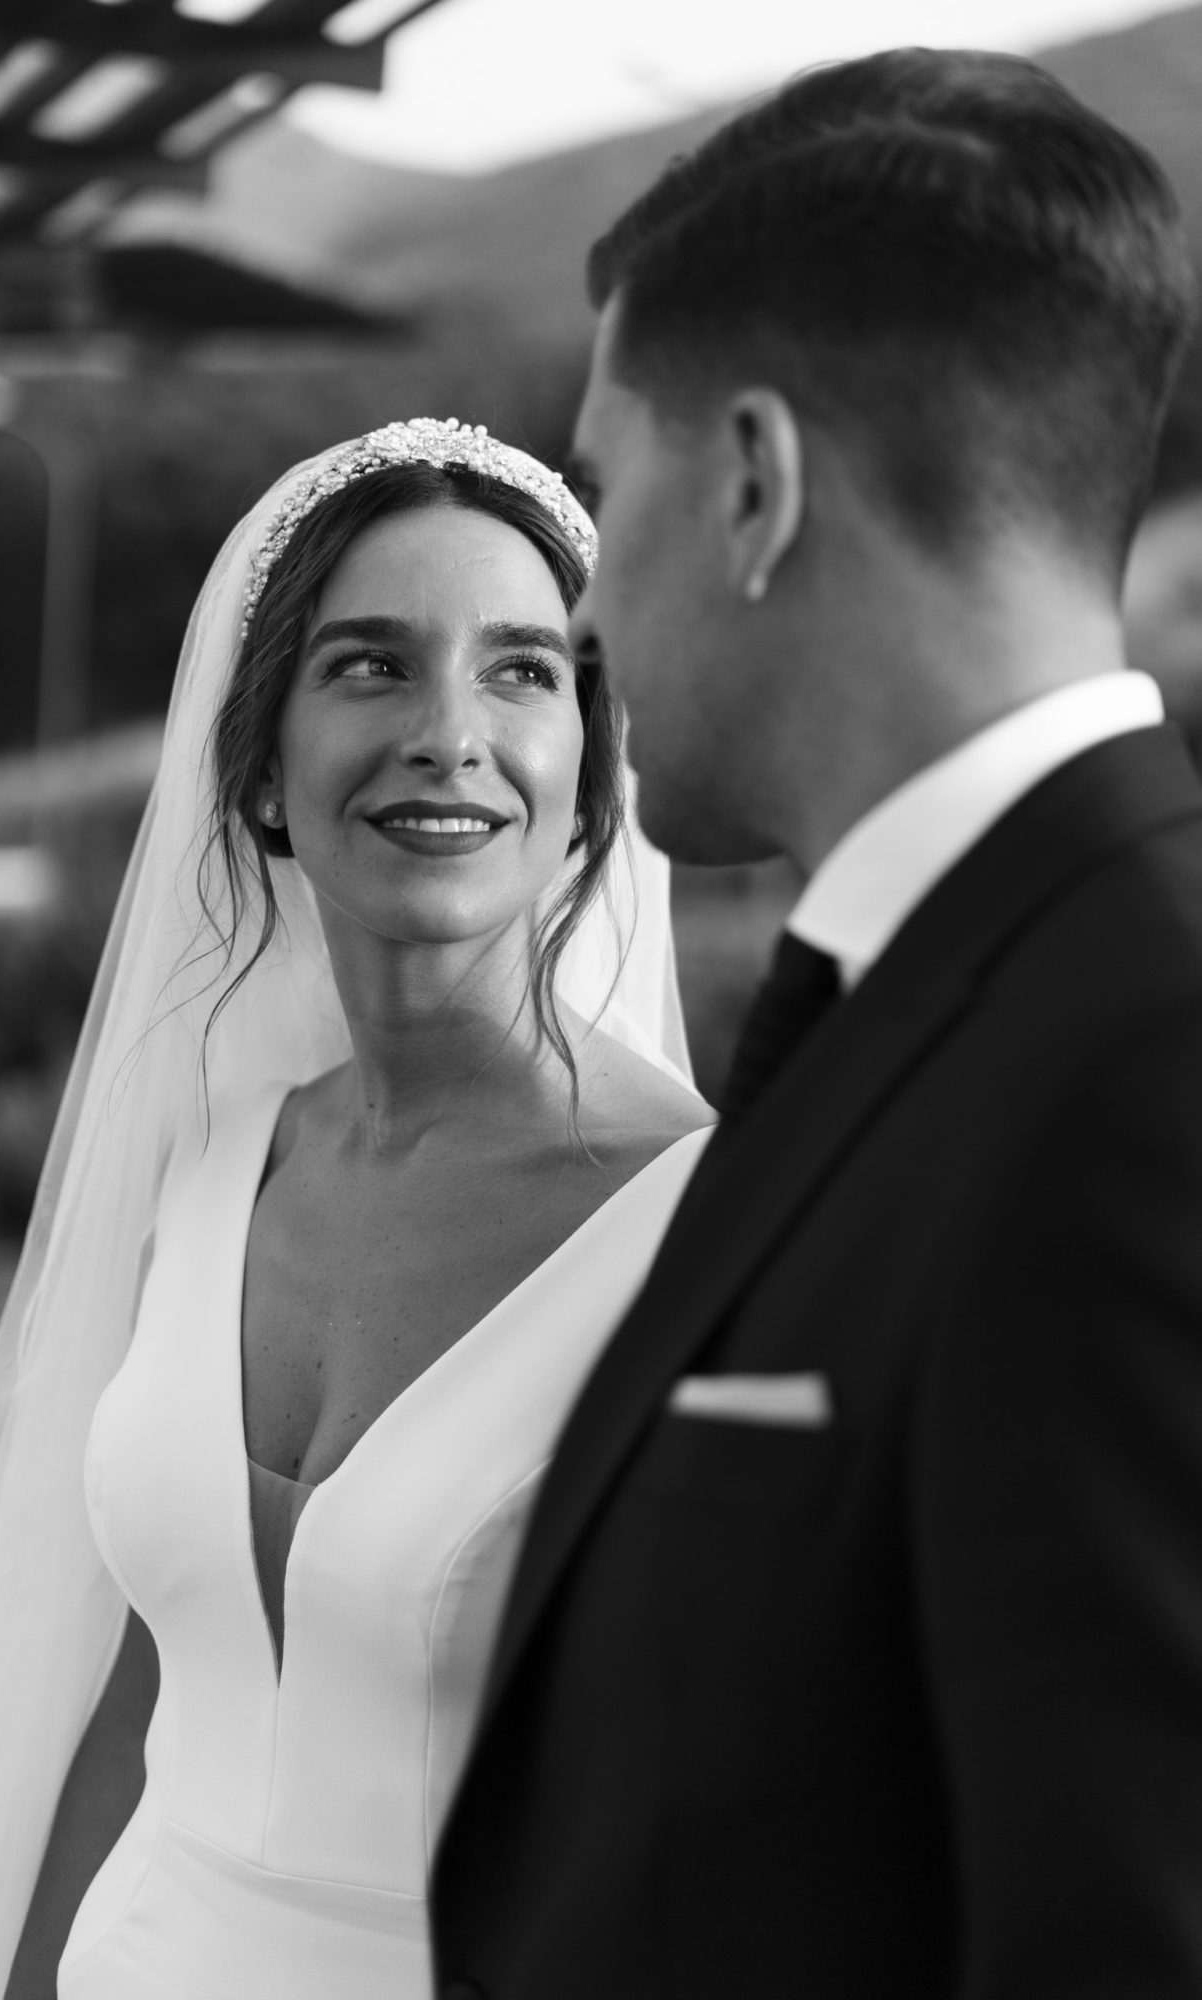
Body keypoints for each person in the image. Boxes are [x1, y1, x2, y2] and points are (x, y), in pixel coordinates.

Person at [431, 51, 1202, 2000]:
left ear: (755, 484)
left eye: (609, 482)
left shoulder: (1147, 1063)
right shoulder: (923, 996)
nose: (580, 615)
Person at [0, 419, 709, 2000]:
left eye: (523, 671)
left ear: (592, 773)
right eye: (371, 665)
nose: (448, 734)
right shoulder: (214, 1175)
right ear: (260, 765)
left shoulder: (702, 1231)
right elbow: (143, 1697)